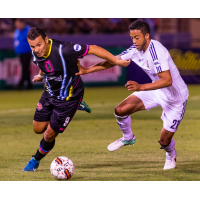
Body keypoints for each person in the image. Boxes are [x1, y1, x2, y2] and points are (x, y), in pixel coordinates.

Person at [76, 19, 189, 170]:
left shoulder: (157, 51)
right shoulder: (135, 49)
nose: (134, 41)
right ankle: (128, 138)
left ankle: (170, 154)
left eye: (137, 37)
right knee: (120, 110)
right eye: (132, 38)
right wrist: (87, 70)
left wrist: (141, 86)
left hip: (175, 99)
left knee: (164, 140)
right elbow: (114, 60)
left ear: (147, 36)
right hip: (157, 90)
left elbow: (167, 80)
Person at [22, 27, 129, 172]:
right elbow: (43, 64)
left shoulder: (64, 49)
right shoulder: (36, 53)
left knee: (49, 134)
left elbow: (93, 48)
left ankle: (35, 160)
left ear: (46, 40)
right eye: (32, 46)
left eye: (39, 45)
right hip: (49, 93)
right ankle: (75, 108)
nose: (36, 49)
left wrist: (116, 60)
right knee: (37, 129)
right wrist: (41, 76)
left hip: (69, 98)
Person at [14, 19, 33, 90]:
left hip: (27, 52)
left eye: (18, 23)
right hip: (20, 52)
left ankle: (20, 84)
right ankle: (29, 85)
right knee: (25, 68)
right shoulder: (17, 31)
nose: (17, 25)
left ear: (22, 23)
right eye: (16, 24)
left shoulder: (28, 30)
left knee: (25, 68)